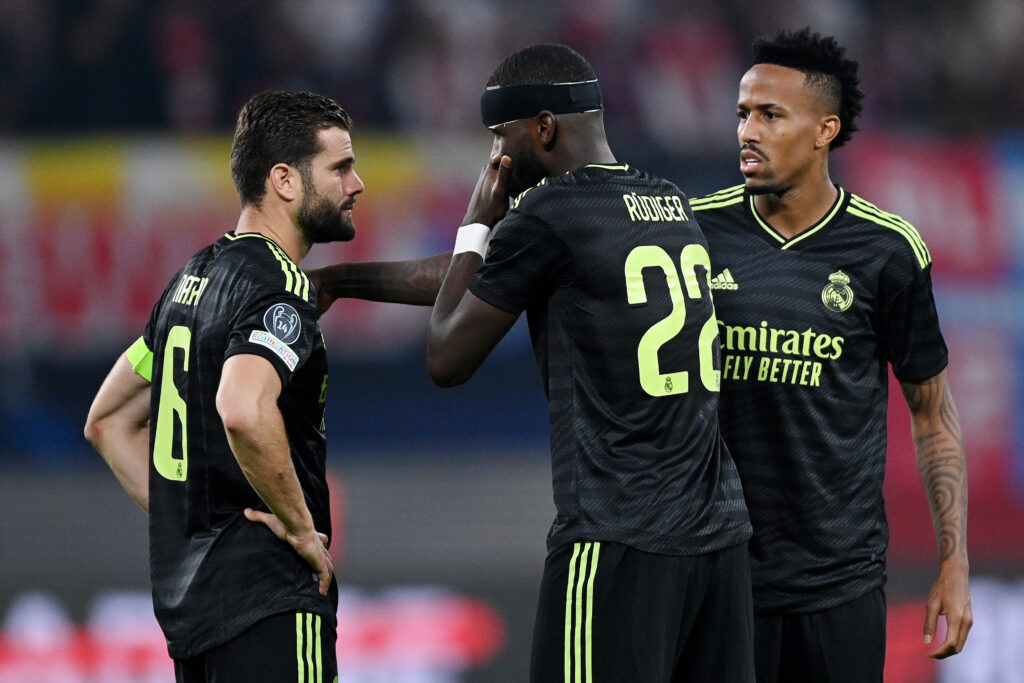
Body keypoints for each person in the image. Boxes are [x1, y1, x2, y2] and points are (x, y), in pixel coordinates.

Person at [424, 43, 754, 682]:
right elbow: (485, 284)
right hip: (719, 543)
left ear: (542, 128)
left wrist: (476, 221)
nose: (496, 157)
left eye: (501, 135)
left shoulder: (547, 214)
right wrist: (346, 281)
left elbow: (445, 354)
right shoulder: (671, 203)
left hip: (618, 539)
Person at [689, 28, 972, 682]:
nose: (747, 131)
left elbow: (932, 413)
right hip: (720, 577)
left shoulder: (887, 251)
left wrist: (953, 567)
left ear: (824, 130)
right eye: (741, 114)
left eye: (770, 114)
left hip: (839, 587)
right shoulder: (694, 231)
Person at [84, 89, 364, 682]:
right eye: (339, 167)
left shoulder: (191, 280)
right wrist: (298, 528)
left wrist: (192, 518)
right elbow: (241, 407)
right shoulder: (277, 285)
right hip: (272, 604)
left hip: (195, 622)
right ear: (285, 180)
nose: (356, 183)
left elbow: (107, 421)